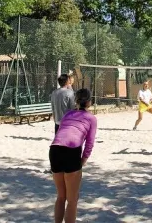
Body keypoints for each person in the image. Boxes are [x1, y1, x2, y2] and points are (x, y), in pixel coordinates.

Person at [49, 88, 97, 223]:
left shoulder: (68, 114)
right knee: (72, 200)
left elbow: (61, 132)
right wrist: (82, 162)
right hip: (71, 150)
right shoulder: (91, 118)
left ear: (76, 100)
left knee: (61, 196)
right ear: (89, 102)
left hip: (55, 149)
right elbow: (90, 143)